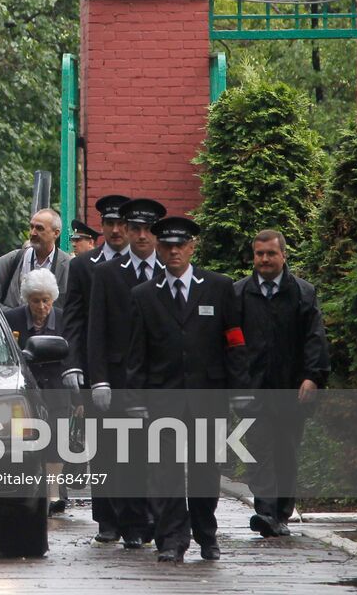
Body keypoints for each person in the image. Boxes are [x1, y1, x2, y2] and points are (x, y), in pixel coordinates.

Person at [125, 216, 249, 564]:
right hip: (162, 397)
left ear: (193, 247)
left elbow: (235, 341)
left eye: (181, 245)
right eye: (167, 246)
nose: (174, 251)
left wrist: (240, 389)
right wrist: (135, 399)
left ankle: (206, 534)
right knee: (164, 470)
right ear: (159, 249)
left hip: (208, 396)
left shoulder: (219, 287)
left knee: (205, 469)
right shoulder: (144, 295)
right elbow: (136, 353)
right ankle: (172, 539)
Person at [235, 229, 330, 538]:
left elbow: (314, 339)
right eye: (259, 254)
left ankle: (281, 515)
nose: (264, 259)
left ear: (283, 255)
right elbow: (230, 342)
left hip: (291, 391)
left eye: (271, 253)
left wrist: (311, 377)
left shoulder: (303, 293)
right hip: (253, 390)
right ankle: (265, 511)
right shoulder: (238, 295)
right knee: (259, 451)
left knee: (286, 453)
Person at [85, 199, 167, 549]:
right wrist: (98, 378)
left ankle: (158, 518)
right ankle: (133, 522)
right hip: (119, 378)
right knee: (125, 454)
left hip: (160, 380)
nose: (142, 236)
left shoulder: (171, 270)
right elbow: (96, 330)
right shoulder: (107, 273)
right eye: (136, 229)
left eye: (149, 230)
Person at [60, 193, 130, 543]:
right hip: (96, 364)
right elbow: (73, 318)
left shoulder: (143, 264)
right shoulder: (84, 265)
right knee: (102, 445)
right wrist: (73, 363)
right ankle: (106, 519)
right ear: (101, 228)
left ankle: (136, 516)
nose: (116, 230)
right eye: (110, 224)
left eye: (121, 224)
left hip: (134, 368)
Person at [4, 268, 69, 516]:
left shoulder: (63, 320)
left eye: (46, 300)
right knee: (25, 439)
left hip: (56, 385)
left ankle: (53, 492)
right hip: (26, 387)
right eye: (35, 300)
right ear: (26, 299)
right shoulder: (12, 319)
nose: (41, 306)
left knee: (56, 439)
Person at [0, 208, 72, 308]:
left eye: (39, 228)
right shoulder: (9, 261)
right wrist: (14, 316)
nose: (33, 233)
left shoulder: (70, 266)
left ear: (56, 233)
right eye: (31, 227)